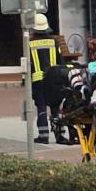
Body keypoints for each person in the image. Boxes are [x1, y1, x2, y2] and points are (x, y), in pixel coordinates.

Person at [29, 11, 62, 144]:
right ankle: (60, 135)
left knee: (41, 107)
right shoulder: (54, 41)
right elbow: (61, 61)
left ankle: (43, 135)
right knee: (55, 109)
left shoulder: (30, 43)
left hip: (38, 81)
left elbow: (28, 64)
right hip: (54, 80)